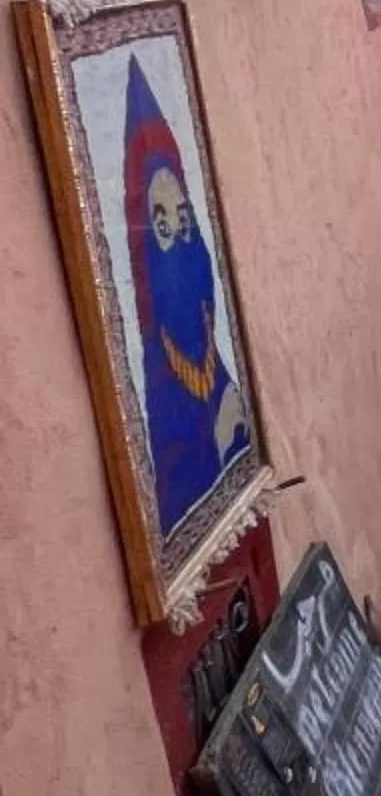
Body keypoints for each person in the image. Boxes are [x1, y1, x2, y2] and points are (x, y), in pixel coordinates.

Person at [122, 57, 250, 532]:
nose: (179, 236)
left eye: (184, 219)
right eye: (162, 227)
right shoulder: (160, 374)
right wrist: (218, 436)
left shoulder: (210, 348)